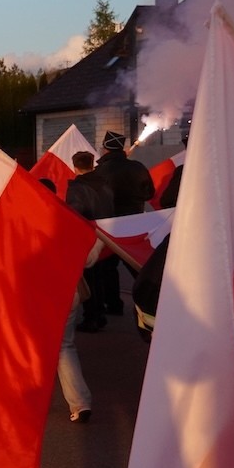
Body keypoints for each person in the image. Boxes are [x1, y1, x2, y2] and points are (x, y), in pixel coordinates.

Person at [92, 131, 154, 315]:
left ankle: (114, 305)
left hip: (110, 225)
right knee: (138, 266)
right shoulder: (138, 167)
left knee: (107, 268)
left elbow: (97, 198)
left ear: (105, 149)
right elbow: (150, 193)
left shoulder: (100, 172)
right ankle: (149, 303)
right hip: (135, 223)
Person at [66, 150, 115, 332]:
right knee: (100, 276)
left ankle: (91, 318)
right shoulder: (105, 184)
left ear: (75, 166)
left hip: (86, 235)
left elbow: (75, 213)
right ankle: (100, 313)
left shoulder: (77, 188)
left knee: (88, 278)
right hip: (105, 233)